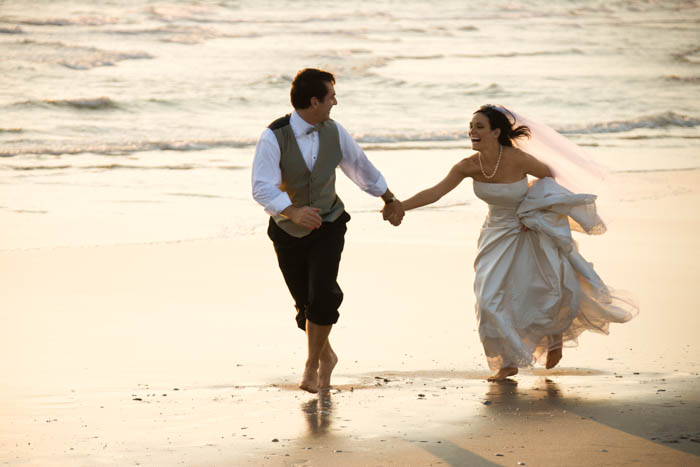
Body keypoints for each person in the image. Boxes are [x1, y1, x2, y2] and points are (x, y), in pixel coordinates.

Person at [398, 105, 638, 381]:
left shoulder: (518, 158)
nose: (472, 131)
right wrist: (400, 206)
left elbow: (548, 177)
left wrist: (534, 210)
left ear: (496, 132)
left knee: (539, 290)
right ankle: (508, 361)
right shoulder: (467, 166)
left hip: (527, 230)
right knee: (488, 299)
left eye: (479, 126)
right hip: (494, 235)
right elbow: (435, 192)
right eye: (471, 126)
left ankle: (553, 337)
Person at [252, 68, 404, 393]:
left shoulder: (335, 131)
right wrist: (292, 211)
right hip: (285, 230)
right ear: (314, 101)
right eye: (331, 96)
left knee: (323, 294)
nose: (336, 101)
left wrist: (388, 199)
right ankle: (327, 356)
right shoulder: (272, 136)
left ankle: (310, 366)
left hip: (329, 223)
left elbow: (359, 166)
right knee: (304, 306)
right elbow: (261, 187)